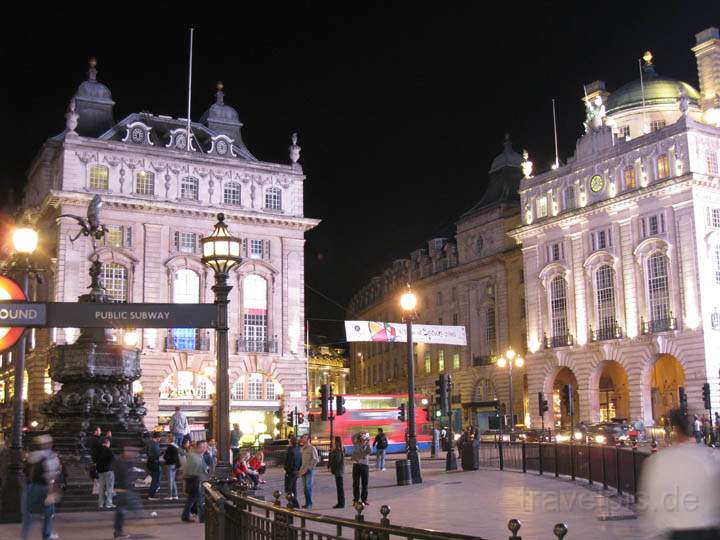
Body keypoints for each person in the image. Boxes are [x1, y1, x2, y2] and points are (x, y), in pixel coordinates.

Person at [640, 407, 720, 538]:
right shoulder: (713, 456)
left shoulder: (660, 460)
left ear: (675, 430)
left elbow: (651, 500)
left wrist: (653, 531)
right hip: (711, 531)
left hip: (678, 532)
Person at [21, 434, 61, 540]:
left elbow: (25, 471)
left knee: (30, 513)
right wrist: (52, 490)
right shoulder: (50, 456)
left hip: (31, 486)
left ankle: (24, 536)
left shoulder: (31, 456)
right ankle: (46, 535)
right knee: (48, 513)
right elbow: (51, 475)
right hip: (44, 487)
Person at [113, 444, 142, 539]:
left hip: (124, 489)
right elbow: (123, 476)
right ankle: (118, 531)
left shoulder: (125, 461)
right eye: (131, 451)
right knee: (122, 510)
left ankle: (118, 532)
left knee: (121, 510)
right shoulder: (121, 462)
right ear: (126, 452)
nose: (133, 454)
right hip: (123, 489)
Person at [182, 440, 209, 523]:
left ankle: (185, 516)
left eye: (206, 446)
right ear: (199, 447)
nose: (205, 448)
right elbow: (192, 470)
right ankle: (203, 518)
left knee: (191, 499)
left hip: (194, 479)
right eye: (204, 447)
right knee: (200, 500)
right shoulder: (194, 456)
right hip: (194, 480)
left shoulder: (197, 455)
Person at [298, 434, 319, 510]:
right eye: (302, 437)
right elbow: (301, 460)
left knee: (308, 487)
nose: (302, 439)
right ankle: (307, 503)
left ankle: (309, 503)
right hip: (303, 470)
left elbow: (316, 459)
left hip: (309, 470)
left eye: (304, 438)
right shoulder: (302, 449)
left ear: (308, 439)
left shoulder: (312, 448)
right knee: (304, 488)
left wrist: (310, 468)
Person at [351, 432, 371, 506]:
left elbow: (369, 452)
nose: (363, 439)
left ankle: (364, 499)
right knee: (356, 484)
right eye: (362, 438)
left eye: (364, 438)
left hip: (365, 465)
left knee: (364, 484)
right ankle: (356, 500)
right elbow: (353, 436)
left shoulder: (367, 445)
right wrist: (360, 433)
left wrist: (367, 443)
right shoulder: (356, 444)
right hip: (356, 465)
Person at [96, 437, 115, 509]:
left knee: (101, 488)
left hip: (100, 471)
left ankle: (100, 503)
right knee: (109, 487)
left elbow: (95, 459)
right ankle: (108, 503)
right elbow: (114, 460)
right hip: (108, 471)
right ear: (107, 443)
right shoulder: (109, 450)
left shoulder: (98, 450)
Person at [283, 435, 301, 508]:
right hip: (296, 471)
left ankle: (294, 503)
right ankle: (294, 503)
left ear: (291, 442)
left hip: (290, 472)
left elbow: (289, 462)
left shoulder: (290, 451)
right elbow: (300, 461)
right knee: (293, 488)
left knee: (288, 489)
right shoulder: (298, 449)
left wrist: (286, 470)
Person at [328, 436, 345, 508]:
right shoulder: (338, 449)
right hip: (338, 470)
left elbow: (336, 461)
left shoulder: (338, 450)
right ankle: (340, 502)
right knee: (339, 487)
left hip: (338, 471)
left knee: (340, 488)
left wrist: (332, 468)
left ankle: (341, 503)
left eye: (334, 441)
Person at [162, 434, 180, 500]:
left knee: (170, 480)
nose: (166, 439)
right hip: (175, 465)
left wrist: (165, 457)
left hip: (170, 465)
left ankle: (169, 495)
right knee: (173, 480)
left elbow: (166, 456)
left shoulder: (170, 447)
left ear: (169, 439)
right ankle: (175, 495)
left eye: (167, 438)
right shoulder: (176, 446)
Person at [145, 432, 162, 500]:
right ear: (158, 437)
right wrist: (162, 453)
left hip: (150, 462)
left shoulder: (149, 443)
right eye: (160, 438)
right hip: (154, 463)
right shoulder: (154, 444)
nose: (160, 440)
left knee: (155, 479)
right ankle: (151, 495)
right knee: (155, 479)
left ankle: (153, 492)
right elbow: (157, 454)